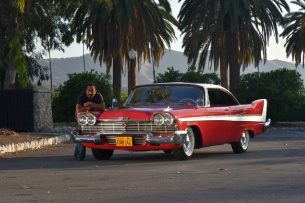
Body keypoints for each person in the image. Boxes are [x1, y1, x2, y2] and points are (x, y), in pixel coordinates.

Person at [74, 83, 105, 160]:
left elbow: (103, 107)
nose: (90, 92)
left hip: (92, 117)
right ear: (86, 91)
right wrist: (87, 107)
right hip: (81, 116)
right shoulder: (81, 97)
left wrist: (91, 104)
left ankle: (77, 153)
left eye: (92, 91)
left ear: (95, 91)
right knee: (83, 131)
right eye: (88, 91)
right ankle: (80, 155)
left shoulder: (98, 96)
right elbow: (78, 110)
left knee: (91, 132)